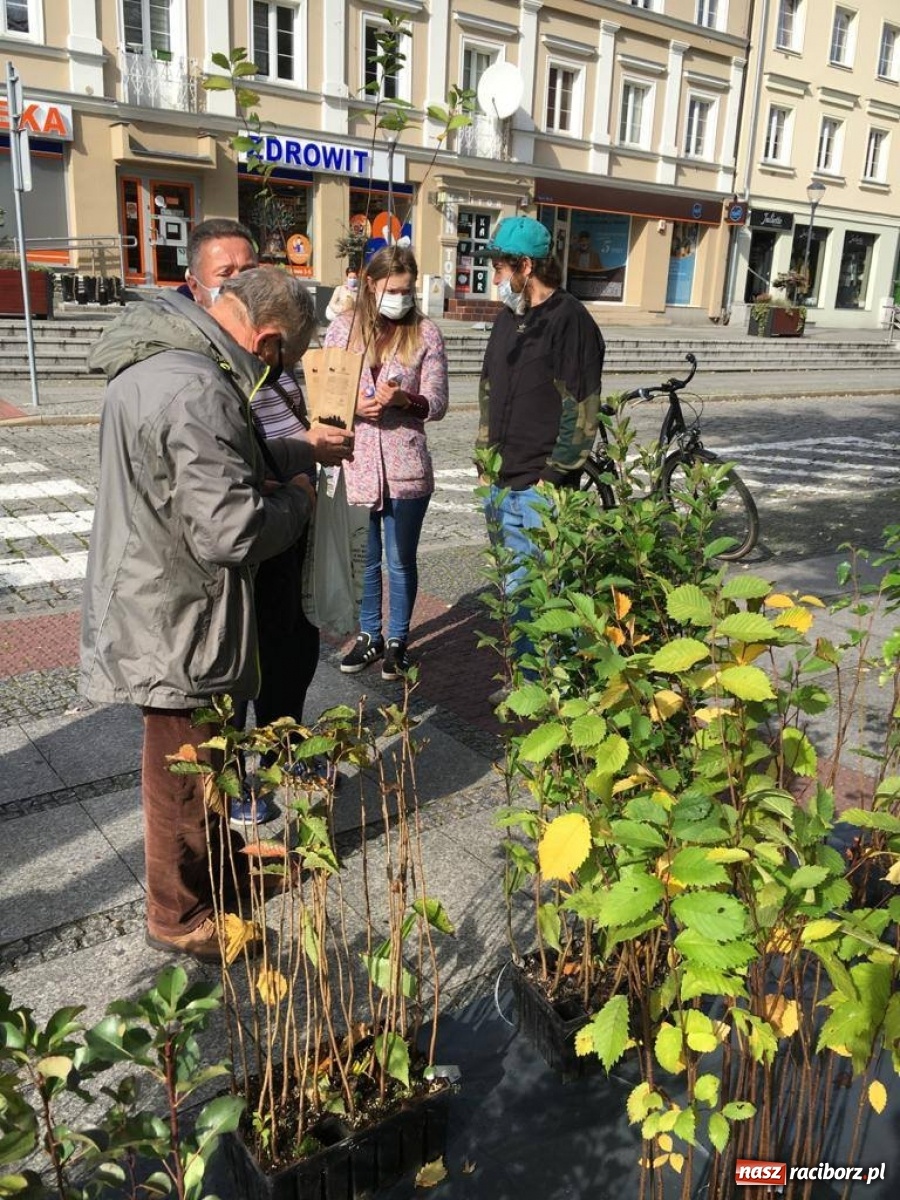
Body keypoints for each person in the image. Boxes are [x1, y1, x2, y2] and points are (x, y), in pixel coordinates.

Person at [79, 269, 341, 961]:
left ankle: (221, 871)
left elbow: (217, 469)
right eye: (281, 359)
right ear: (269, 340)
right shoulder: (200, 388)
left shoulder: (172, 362)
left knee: (207, 758)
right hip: (180, 612)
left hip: (171, 594)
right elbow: (231, 531)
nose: (274, 372)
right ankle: (180, 913)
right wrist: (298, 501)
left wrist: (293, 456)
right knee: (185, 769)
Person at [181, 218, 350, 825]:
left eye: (248, 269)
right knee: (233, 670)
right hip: (242, 540)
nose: (241, 282)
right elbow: (223, 468)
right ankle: (233, 781)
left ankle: (283, 753)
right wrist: (293, 471)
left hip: (286, 527)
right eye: (227, 273)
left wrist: (314, 441)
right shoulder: (203, 367)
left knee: (290, 651)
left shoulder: (265, 361)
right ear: (197, 286)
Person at [476, 215, 605, 701]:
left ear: (526, 267)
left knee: (547, 591)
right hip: (500, 478)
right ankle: (528, 682)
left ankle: (556, 691)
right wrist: (484, 458)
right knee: (515, 590)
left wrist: (555, 474)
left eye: (500, 267)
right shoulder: (508, 318)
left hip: (541, 484)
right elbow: (489, 388)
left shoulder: (570, 320)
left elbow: (582, 405)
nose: (494, 277)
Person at [324, 246, 449, 680]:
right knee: (366, 558)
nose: (401, 297)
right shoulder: (343, 329)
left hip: (406, 466)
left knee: (400, 559)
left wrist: (404, 400)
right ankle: (369, 635)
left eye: (407, 290)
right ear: (371, 285)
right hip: (357, 463)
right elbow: (324, 393)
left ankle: (398, 641)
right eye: (393, 290)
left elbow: (437, 403)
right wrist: (354, 406)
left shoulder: (425, 332)